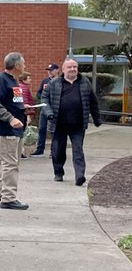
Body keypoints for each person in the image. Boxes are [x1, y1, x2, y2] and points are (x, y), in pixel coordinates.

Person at [41, 57, 102, 185]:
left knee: (78, 149)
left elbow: (93, 101)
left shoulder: (85, 82)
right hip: (58, 123)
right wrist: (49, 113)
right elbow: (44, 100)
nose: (73, 69)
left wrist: (97, 119)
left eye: (75, 67)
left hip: (78, 124)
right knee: (58, 150)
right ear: (63, 69)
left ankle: (80, 175)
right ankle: (58, 172)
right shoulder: (54, 83)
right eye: (70, 67)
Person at [0, 52, 29, 210]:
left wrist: (23, 108)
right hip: (7, 129)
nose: (25, 65)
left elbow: (14, 101)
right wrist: (10, 118)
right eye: (23, 63)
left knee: (11, 162)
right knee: (10, 163)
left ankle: (1, 192)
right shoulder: (0, 80)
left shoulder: (14, 81)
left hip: (16, 128)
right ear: (17, 65)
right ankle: (9, 198)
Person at [30, 63, 61, 155]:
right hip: (44, 109)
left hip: (55, 110)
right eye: (48, 70)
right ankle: (40, 149)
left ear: (57, 70)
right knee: (42, 129)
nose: (49, 72)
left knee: (54, 131)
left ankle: (54, 151)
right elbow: (39, 93)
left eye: (51, 70)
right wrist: (43, 98)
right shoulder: (45, 81)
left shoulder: (60, 81)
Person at [17, 73, 36, 158]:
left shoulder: (18, 87)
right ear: (24, 80)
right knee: (21, 133)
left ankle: (19, 152)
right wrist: (29, 114)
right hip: (23, 113)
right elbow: (26, 102)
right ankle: (19, 152)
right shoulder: (25, 88)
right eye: (28, 78)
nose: (30, 80)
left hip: (18, 113)